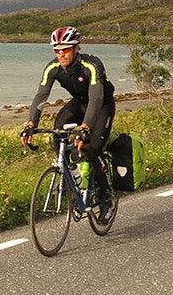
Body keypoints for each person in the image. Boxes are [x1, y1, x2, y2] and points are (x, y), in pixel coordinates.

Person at [20, 26, 116, 205]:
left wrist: (85, 128)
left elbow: (96, 98)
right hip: (79, 103)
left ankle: (105, 195)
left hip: (102, 105)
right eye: (57, 50)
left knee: (92, 148)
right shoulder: (53, 68)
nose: (61, 54)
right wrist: (30, 125)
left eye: (65, 50)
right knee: (58, 131)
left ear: (76, 48)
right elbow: (41, 96)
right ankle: (69, 175)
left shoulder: (92, 65)